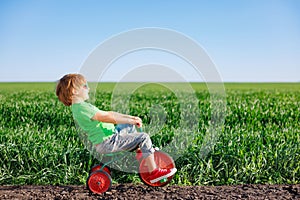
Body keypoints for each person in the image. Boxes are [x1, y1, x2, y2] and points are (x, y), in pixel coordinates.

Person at [56, 73, 177, 183]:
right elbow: (107, 117)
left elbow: (109, 113)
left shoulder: (80, 107)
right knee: (144, 137)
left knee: (127, 125)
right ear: (74, 91)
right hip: (108, 142)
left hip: (110, 137)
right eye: (85, 86)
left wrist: (131, 118)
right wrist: (130, 119)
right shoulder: (82, 108)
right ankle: (154, 172)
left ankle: (140, 152)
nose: (88, 88)